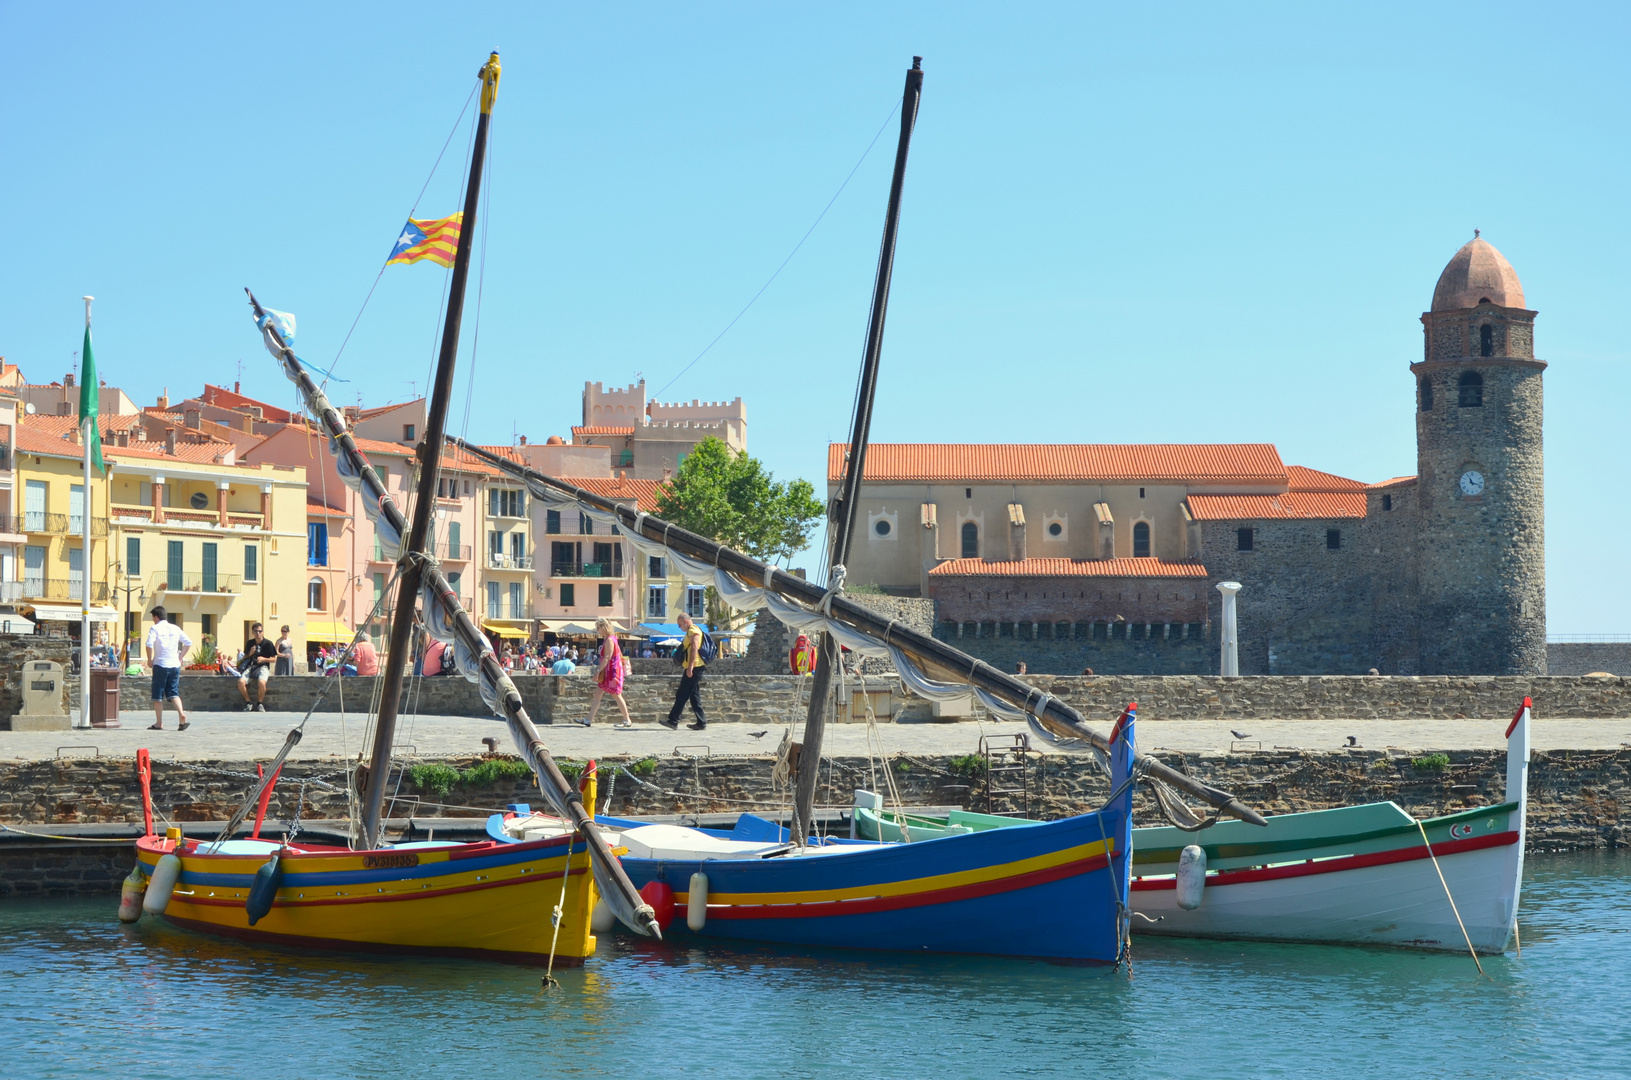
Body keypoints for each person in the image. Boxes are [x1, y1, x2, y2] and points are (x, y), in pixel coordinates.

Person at [579, 617, 633, 729]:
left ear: (604, 627)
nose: (597, 630)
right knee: (598, 694)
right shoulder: (611, 639)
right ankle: (588, 719)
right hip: (609, 671)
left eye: (598, 627)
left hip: (612, 672)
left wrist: (598, 671)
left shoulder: (609, 640)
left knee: (616, 694)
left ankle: (627, 719)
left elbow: (607, 656)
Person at [144, 607, 191, 731]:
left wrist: (149, 659)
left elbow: (149, 644)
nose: (153, 620)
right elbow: (188, 642)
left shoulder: (155, 628)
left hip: (161, 664)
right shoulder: (175, 628)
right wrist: (180, 656)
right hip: (174, 664)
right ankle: (181, 714)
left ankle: (159, 723)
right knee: (173, 692)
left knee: (158, 695)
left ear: (156, 617)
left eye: (153, 618)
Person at [662, 613, 707, 731]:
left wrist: (690, 666)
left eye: (680, 624)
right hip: (694, 667)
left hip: (695, 667)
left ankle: (673, 720)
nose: (679, 627)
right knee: (694, 696)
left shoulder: (693, 630)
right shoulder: (692, 631)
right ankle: (701, 722)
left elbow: (694, 648)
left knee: (682, 694)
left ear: (686, 621)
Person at [238, 623, 277, 711]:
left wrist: (264, 659)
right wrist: (250, 654)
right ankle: (248, 702)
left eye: (260, 631)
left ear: (263, 632)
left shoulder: (268, 643)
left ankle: (260, 703)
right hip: (251, 666)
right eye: (256, 631)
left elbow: (274, 659)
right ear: (253, 632)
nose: (258, 633)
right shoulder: (250, 643)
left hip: (263, 666)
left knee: (261, 682)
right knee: (240, 682)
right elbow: (245, 656)